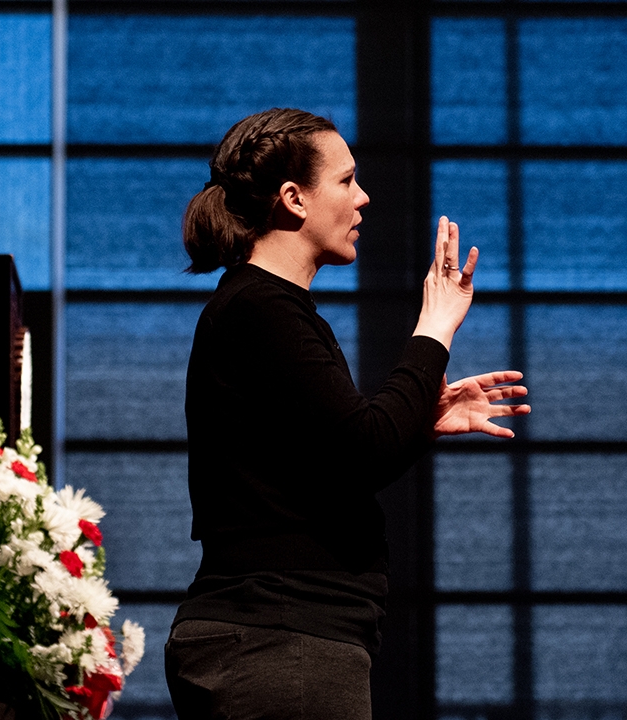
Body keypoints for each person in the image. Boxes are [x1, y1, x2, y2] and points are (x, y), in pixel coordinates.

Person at [164, 108, 530, 719]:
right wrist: (435, 327)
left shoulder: (267, 312)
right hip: (278, 642)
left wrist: (419, 416)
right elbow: (365, 449)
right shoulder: (262, 312)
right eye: (345, 180)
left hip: (280, 641)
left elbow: (333, 459)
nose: (363, 198)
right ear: (294, 199)